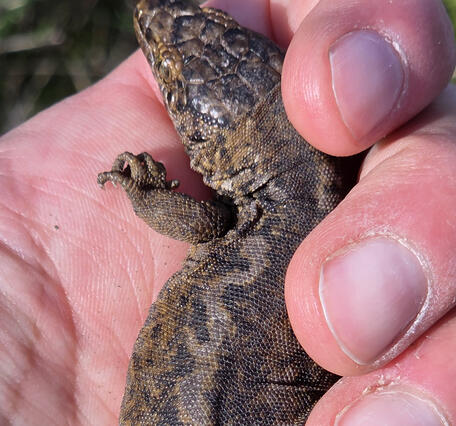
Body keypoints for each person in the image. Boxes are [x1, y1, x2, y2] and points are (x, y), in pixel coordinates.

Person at [0, 0, 455, 423]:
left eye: (169, 77)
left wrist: (144, 196)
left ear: (211, 147)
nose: (154, 30)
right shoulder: (322, 208)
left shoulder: (272, 220)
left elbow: (201, 222)